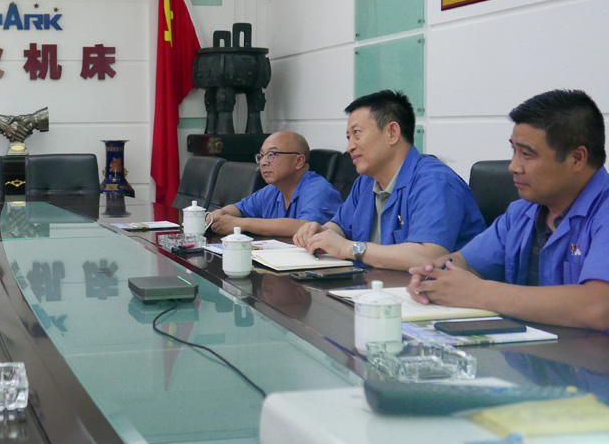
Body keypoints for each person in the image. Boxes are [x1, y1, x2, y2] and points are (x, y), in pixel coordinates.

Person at [409, 90, 609, 331]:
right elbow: (466, 262)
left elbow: (598, 307)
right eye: (514, 151)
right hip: (527, 349)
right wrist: (433, 276)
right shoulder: (522, 212)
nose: (514, 166)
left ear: (577, 158)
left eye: (527, 154)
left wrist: (479, 292)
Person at [293, 90, 485, 270]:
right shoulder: (366, 181)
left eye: (357, 133)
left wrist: (348, 248)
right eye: (348, 137)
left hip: (436, 292)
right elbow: (341, 227)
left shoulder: (435, 182)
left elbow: (429, 258)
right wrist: (321, 232)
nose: (350, 146)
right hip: (377, 286)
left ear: (392, 133)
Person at [207, 131, 342, 236]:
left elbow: (306, 226)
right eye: (261, 156)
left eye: (271, 154)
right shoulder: (272, 190)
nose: (263, 162)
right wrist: (220, 214)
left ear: (299, 161)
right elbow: (240, 209)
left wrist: (240, 224)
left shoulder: (319, 190)